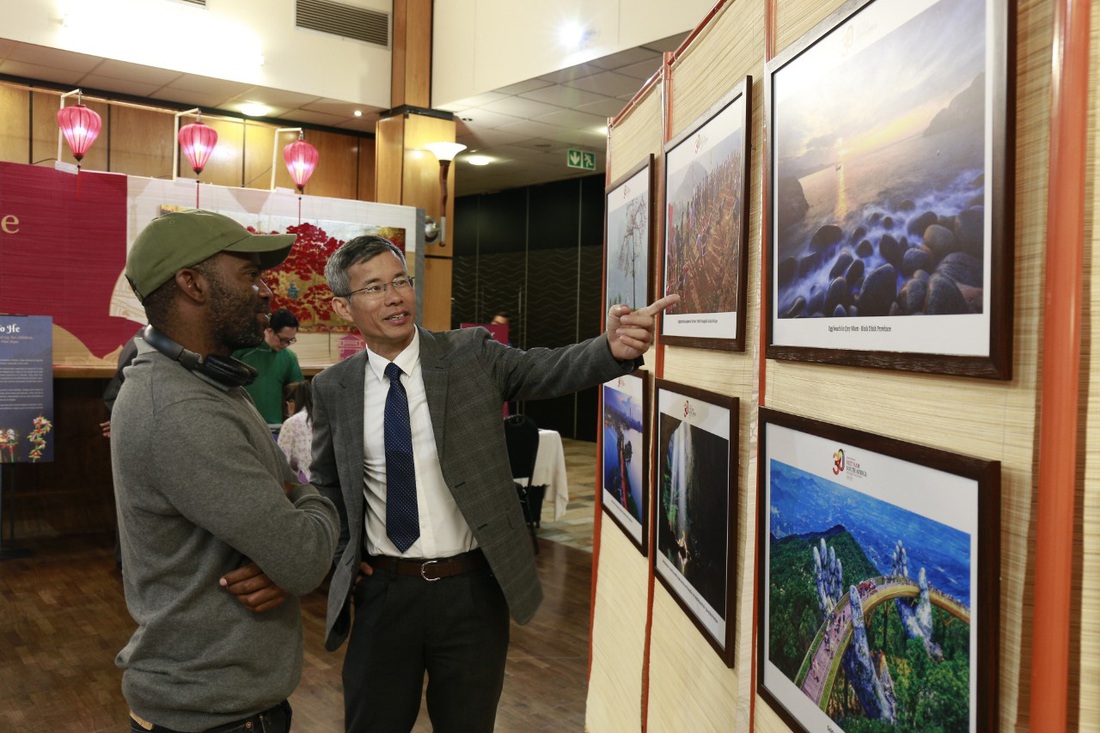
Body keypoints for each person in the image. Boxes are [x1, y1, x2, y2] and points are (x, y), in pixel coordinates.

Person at [309, 234, 679, 733]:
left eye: (400, 281)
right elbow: (327, 484)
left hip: (471, 592)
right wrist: (340, 560)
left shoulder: (469, 355)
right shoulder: (333, 387)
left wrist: (610, 349)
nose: (394, 297)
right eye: (374, 288)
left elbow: (546, 368)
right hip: (384, 593)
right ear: (342, 305)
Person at [110, 208, 339, 733]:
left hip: (219, 707)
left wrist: (286, 535)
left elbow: (288, 548)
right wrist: (304, 504)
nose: (265, 291)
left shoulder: (208, 384)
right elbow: (303, 559)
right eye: (249, 275)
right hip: (212, 716)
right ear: (192, 283)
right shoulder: (181, 407)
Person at [233, 307, 305, 426]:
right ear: (269, 330)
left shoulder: (289, 357)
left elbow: (298, 393)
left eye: (290, 340)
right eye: (283, 340)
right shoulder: (243, 350)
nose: (285, 345)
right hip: (244, 421)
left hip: (275, 424)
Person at [278, 380, 314, 482]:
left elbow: (282, 462)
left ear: (290, 403)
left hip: (307, 485)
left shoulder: (291, 423)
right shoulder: (325, 417)